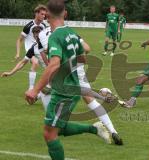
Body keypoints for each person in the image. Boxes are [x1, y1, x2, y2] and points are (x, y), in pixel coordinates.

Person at [25, 1, 111, 159]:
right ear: (65, 14)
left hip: (64, 92)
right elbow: (83, 58)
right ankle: (95, 129)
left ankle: (94, 129)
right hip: (69, 88)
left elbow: (53, 65)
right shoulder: (72, 33)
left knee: (49, 134)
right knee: (58, 128)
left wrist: (35, 90)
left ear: (48, 16)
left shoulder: (55, 36)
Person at [2, 26, 50, 110]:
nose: (37, 38)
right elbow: (22, 62)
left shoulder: (50, 43)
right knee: (52, 90)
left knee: (52, 90)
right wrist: (10, 73)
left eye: (39, 36)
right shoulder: (33, 48)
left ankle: (34, 96)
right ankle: (35, 96)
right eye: (35, 36)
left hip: (58, 70)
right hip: (50, 73)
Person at [15, 4, 47, 90]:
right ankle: (31, 88)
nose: (44, 16)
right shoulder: (28, 26)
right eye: (42, 14)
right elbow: (19, 40)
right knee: (35, 63)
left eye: (44, 14)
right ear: (36, 14)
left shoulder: (44, 26)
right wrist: (18, 53)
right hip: (30, 49)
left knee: (48, 67)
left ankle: (45, 89)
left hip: (39, 49)